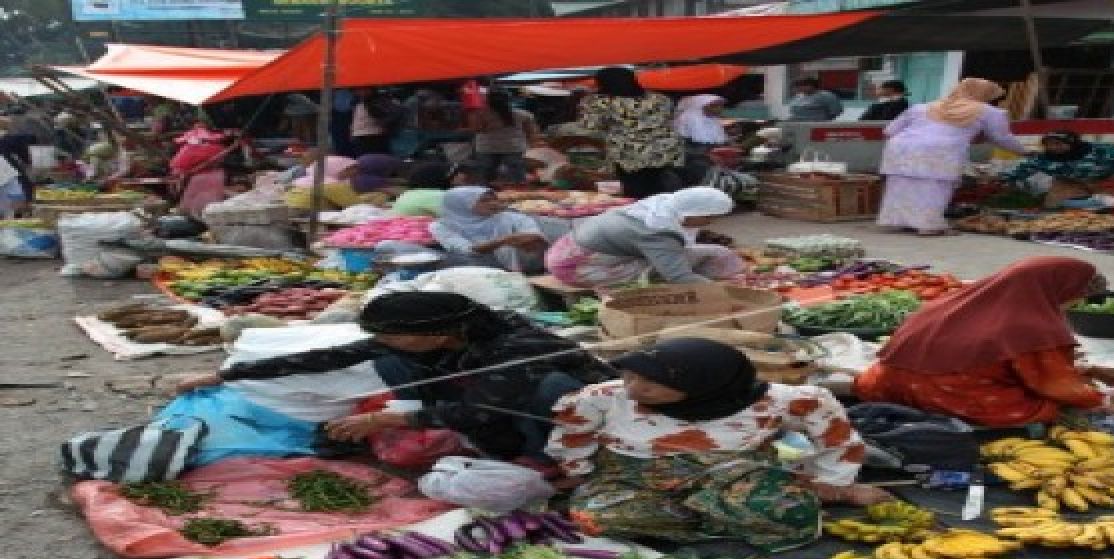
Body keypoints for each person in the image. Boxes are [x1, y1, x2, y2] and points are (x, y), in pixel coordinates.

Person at [176, 292, 614, 463]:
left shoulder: (515, 347)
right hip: (481, 394)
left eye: (393, 335)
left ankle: (548, 457)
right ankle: (499, 446)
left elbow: (479, 409)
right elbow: (330, 356)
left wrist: (388, 420)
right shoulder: (434, 339)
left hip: (562, 405)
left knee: (552, 390)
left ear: (438, 333)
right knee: (389, 364)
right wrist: (224, 374)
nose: (384, 341)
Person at [547, 338, 886, 546]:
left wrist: (831, 484)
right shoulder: (604, 397)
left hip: (735, 478)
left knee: (790, 514)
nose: (633, 389)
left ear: (705, 384)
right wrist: (578, 468)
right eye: (629, 376)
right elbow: (573, 433)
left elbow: (837, 439)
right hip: (634, 480)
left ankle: (721, 513)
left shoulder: (785, 400)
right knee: (592, 517)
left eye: (649, 384)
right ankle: (722, 518)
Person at [855, 257, 1114, 427]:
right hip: (943, 394)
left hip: (884, 386)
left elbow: (995, 357)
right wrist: (1102, 401)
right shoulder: (1031, 325)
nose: (1074, 306)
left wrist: (1089, 370)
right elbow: (1051, 382)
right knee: (1046, 407)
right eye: (1076, 297)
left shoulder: (956, 301)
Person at [877, 77, 1026, 235]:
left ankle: (897, 221)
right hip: (941, 151)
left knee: (901, 185)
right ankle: (928, 226)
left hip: (902, 148)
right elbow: (1001, 137)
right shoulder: (989, 111)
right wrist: (1024, 151)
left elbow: (889, 131)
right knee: (934, 188)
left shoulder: (923, 107)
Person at [545, 187, 744, 288]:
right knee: (661, 272)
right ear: (694, 213)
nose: (710, 223)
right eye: (709, 217)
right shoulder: (657, 231)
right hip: (576, 267)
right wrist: (724, 291)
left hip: (566, 251)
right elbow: (679, 277)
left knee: (718, 253)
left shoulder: (663, 205)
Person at [578, 67, 683, 199]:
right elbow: (668, 117)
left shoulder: (600, 102)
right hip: (664, 149)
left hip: (629, 152)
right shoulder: (660, 98)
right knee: (657, 184)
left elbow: (590, 125)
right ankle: (662, 210)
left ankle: (641, 214)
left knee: (634, 188)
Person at [430, 186, 557, 273]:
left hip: (521, 267)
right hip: (475, 269)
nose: (493, 203)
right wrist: (502, 241)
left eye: (493, 199)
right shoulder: (441, 226)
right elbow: (466, 249)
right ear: (462, 205)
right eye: (484, 201)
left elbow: (533, 235)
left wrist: (529, 239)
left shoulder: (510, 217)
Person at [1003, 131, 1114, 208]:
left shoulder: (1103, 151)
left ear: (1072, 143)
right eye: (1049, 144)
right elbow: (1021, 171)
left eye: (1058, 144)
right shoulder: (1044, 159)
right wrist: (1001, 180)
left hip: (1106, 181)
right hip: (1069, 183)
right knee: (1057, 205)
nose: (1053, 148)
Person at [469, 89, 539, 185]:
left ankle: (484, 195)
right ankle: (518, 195)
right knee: (517, 177)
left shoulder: (480, 114)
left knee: (485, 178)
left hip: (486, 148)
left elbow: (476, 129)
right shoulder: (523, 114)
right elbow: (531, 133)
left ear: (488, 100)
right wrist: (532, 146)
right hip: (513, 147)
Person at [283, 155, 389, 210]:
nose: (355, 172)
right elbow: (355, 205)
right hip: (310, 212)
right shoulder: (332, 185)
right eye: (349, 169)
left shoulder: (302, 180)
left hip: (293, 209)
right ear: (335, 169)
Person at [673, 94, 729, 186]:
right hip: (691, 163)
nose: (720, 109)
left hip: (711, 159)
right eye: (715, 105)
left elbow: (719, 142)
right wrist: (706, 155)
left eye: (721, 105)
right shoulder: (687, 120)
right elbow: (681, 149)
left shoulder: (714, 121)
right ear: (701, 106)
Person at [351, 90, 392, 156]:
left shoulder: (374, 102)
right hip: (364, 136)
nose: (358, 92)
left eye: (362, 89)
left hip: (371, 137)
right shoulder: (359, 102)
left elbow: (381, 117)